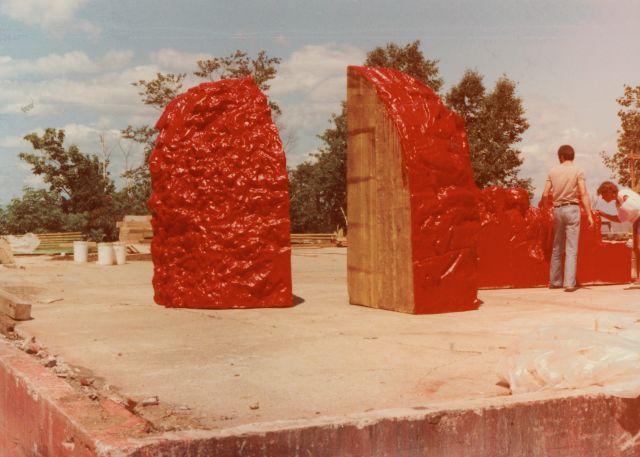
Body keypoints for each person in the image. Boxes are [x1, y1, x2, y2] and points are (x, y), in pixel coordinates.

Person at [541, 145, 594, 292]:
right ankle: (569, 283)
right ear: (572, 156)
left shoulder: (552, 171)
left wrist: (547, 209)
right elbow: (583, 193)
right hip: (572, 208)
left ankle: (554, 281)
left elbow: (545, 194)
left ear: (561, 156)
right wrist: (589, 214)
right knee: (571, 247)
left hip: (557, 209)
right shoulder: (578, 170)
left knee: (557, 246)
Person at [596, 181, 640, 282]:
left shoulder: (623, 194)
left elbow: (635, 207)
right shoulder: (617, 202)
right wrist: (603, 214)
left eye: (603, 195)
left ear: (610, 193)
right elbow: (620, 219)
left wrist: (624, 206)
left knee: (638, 247)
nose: (602, 198)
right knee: (636, 249)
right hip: (636, 221)